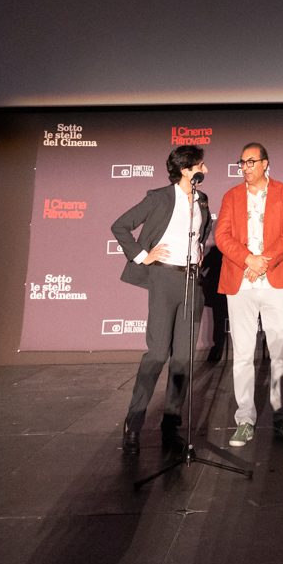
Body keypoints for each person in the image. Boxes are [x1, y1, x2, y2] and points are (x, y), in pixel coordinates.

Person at [109, 145, 212, 453]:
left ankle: (171, 425)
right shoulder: (158, 197)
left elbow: (202, 231)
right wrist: (142, 255)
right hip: (164, 280)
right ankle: (134, 424)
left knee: (182, 359)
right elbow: (120, 226)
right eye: (201, 165)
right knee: (156, 355)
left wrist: (198, 250)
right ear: (186, 170)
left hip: (192, 282)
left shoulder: (202, 200)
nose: (205, 170)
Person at [213, 142, 283, 446]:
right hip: (240, 284)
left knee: (280, 351)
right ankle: (245, 420)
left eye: (251, 161)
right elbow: (222, 236)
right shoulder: (230, 196)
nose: (245, 167)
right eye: (242, 162)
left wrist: (262, 261)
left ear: (265, 163)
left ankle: (281, 416)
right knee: (242, 355)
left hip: (273, 280)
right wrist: (247, 260)